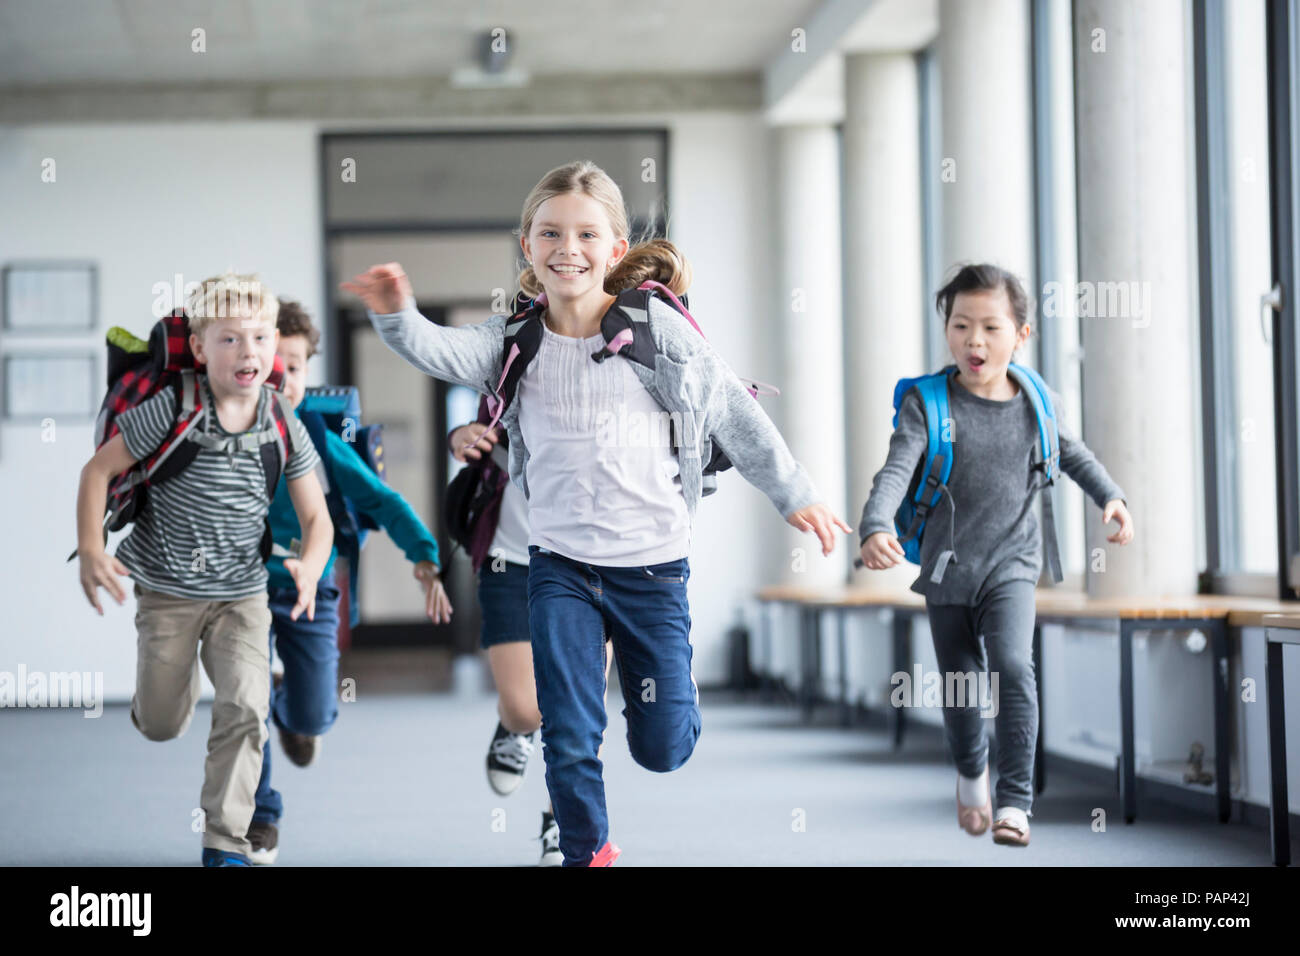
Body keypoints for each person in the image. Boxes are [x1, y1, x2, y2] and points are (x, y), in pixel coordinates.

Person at [343, 160, 852, 865]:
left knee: (663, 748)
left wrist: (796, 494)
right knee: (569, 730)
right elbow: (439, 350)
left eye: (586, 234)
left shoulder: (657, 335)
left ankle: (671, 708)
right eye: (550, 232)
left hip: (653, 569)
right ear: (528, 245)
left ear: (614, 251)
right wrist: (397, 310)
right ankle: (587, 851)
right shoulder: (512, 340)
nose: (567, 248)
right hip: (559, 567)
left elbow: (734, 409)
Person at [858, 262, 1135, 847]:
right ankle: (969, 769)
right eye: (960, 326)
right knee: (961, 687)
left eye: (990, 327)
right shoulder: (928, 406)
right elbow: (896, 469)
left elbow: (1073, 454)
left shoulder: (1037, 401)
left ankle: (1015, 802)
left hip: (1014, 563)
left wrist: (1111, 497)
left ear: (1021, 334)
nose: (974, 341)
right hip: (947, 569)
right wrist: (875, 523)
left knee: (1013, 665)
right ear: (947, 329)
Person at [75, 273, 332, 866]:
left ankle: (226, 843)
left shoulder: (280, 420)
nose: (248, 353)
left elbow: (316, 517)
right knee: (162, 723)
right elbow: (96, 472)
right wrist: (91, 547)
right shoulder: (173, 407)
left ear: (275, 346)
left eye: (260, 339)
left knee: (246, 709)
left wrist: (311, 567)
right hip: (167, 592)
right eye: (230, 339)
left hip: (243, 595)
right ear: (197, 347)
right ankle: (171, 690)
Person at [246, 298, 453, 864]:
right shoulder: (229, 432)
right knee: (246, 704)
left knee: (315, 714)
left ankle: (296, 708)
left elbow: (384, 503)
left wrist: (425, 559)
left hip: (311, 586)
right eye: (272, 360)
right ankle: (260, 816)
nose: (281, 375)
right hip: (243, 590)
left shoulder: (321, 440)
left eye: (295, 363)